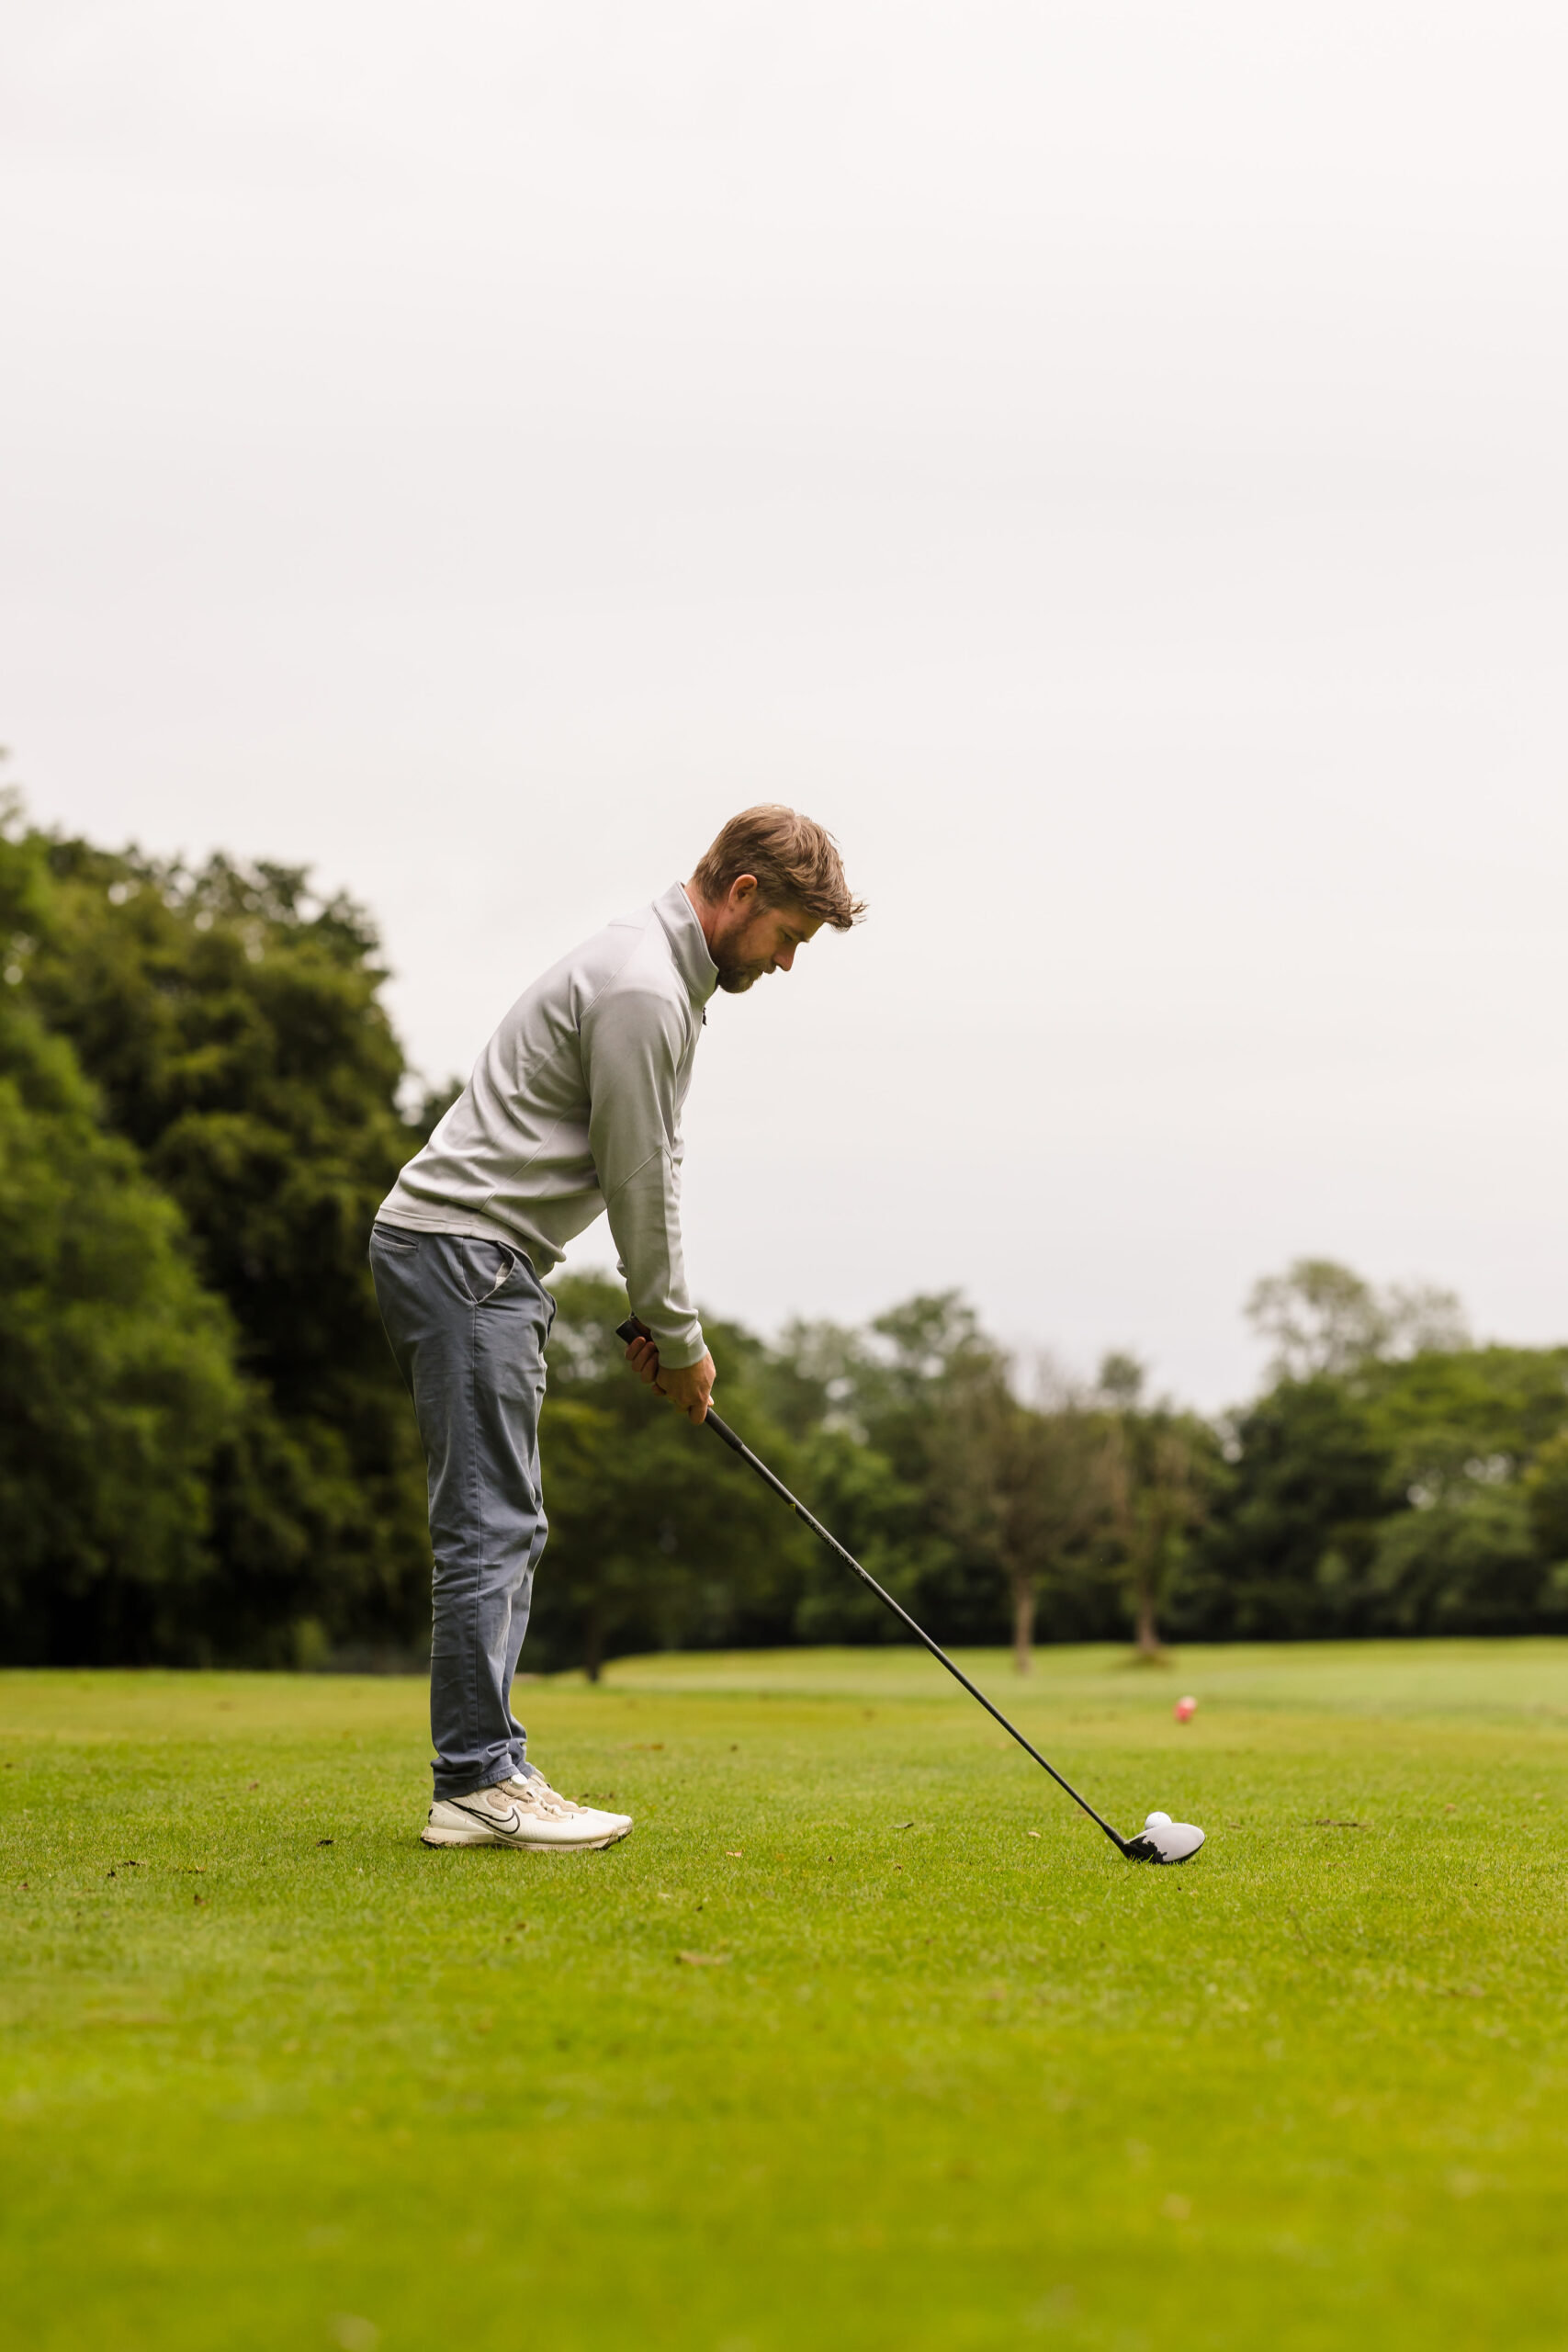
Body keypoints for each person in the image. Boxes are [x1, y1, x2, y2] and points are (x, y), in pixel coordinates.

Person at [369, 806, 863, 1853]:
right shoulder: (646, 986)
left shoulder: (660, 979)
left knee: (507, 1518)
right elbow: (640, 1178)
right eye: (787, 938)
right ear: (741, 897)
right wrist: (681, 1343)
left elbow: (649, 1160)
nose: (784, 965)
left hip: (479, 1256)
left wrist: (658, 1320)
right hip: (466, 1255)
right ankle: (475, 1779)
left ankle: (486, 1769)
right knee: (489, 1523)